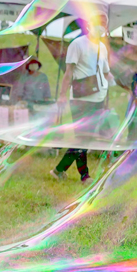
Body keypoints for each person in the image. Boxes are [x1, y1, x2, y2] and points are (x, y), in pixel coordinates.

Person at [50, 13, 120, 183]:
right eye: (99, 22)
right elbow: (69, 72)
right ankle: (84, 175)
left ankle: (59, 170)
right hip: (81, 98)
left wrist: (115, 82)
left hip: (97, 98)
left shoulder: (102, 48)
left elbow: (104, 72)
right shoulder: (77, 44)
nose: (101, 26)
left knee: (86, 138)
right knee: (83, 137)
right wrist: (62, 95)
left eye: (105, 23)